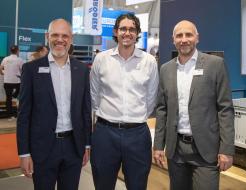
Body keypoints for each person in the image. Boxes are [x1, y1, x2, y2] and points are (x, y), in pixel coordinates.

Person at [153, 20, 235, 190]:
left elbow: (225, 109)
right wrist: (158, 145)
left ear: (197, 38)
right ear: (173, 39)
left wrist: (227, 149)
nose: (184, 39)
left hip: (206, 150)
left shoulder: (215, 65)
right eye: (179, 35)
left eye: (188, 34)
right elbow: (162, 110)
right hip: (176, 150)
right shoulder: (166, 69)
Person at [17, 18, 92, 190]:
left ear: (71, 39)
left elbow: (85, 110)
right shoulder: (31, 69)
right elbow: (24, 115)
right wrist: (24, 152)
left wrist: (86, 144)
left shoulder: (81, 70)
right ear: (47, 37)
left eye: (64, 35)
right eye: (55, 35)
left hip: (73, 147)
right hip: (42, 149)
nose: (60, 40)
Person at [90, 13, 159, 190]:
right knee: (103, 185)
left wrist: (135, 118)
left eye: (131, 29)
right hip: (105, 133)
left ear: (137, 33)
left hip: (137, 134)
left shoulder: (149, 61)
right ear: (115, 31)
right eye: (123, 29)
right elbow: (94, 95)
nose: (127, 33)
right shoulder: (101, 59)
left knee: (137, 185)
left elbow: (151, 98)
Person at [0, 45, 23, 116]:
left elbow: (0, 68)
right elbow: (23, 70)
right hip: (16, 82)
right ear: (17, 51)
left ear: (10, 51)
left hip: (7, 81)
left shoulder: (5, 59)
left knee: (8, 98)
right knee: (18, 92)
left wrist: (3, 73)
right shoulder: (19, 60)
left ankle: (8, 113)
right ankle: (15, 96)